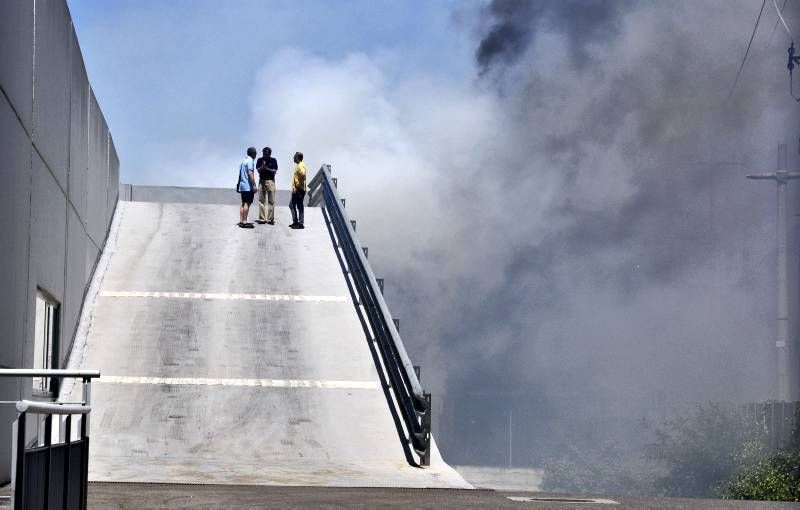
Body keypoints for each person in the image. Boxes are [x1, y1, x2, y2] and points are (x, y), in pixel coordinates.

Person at [256, 147, 278, 224]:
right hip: (261, 181)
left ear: (269, 154)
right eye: (264, 153)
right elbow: (258, 170)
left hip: (270, 181)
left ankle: (270, 219)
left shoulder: (273, 160)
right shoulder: (259, 160)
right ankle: (262, 219)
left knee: (271, 201)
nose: (265, 155)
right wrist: (262, 167)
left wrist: (267, 168)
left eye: (266, 154)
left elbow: (274, 171)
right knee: (261, 200)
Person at [237, 147, 258, 228]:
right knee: (247, 203)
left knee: (243, 203)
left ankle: (241, 221)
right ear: (252, 153)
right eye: (255, 153)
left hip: (242, 185)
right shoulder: (250, 161)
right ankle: (245, 222)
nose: (256, 154)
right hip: (247, 186)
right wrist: (254, 185)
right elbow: (250, 173)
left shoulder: (243, 160)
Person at [289, 152, 307, 229]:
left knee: (299, 205)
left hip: (299, 189)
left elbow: (303, 174)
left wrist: (298, 184)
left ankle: (300, 223)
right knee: (292, 205)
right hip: (297, 189)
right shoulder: (299, 165)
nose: (293, 158)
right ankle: (296, 222)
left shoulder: (301, 165)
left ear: (297, 157)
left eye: (294, 157)